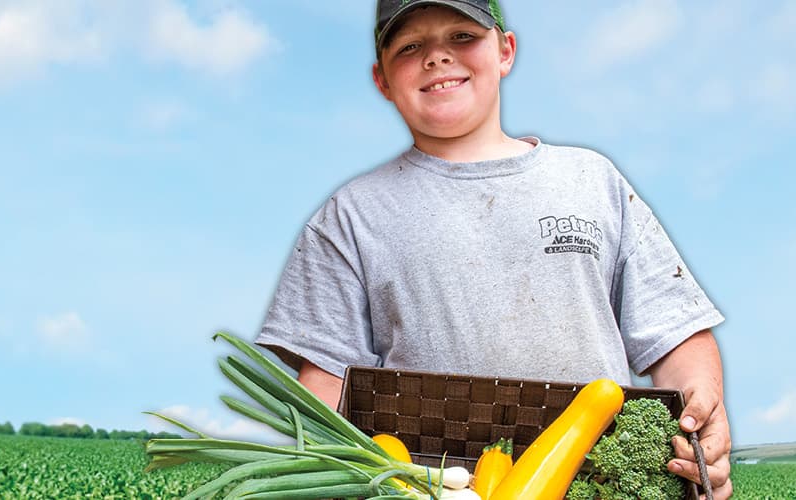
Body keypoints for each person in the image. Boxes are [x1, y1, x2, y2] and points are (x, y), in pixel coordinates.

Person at [255, 0, 732, 496]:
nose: (437, 58)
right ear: (382, 81)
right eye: (411, 45)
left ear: (505, 51)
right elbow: (325, 383)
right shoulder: (352, 215)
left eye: (462, 36)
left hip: (594, 477)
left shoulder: (591, 180)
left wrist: (703, 417)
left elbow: (675, 335)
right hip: (437, 485)